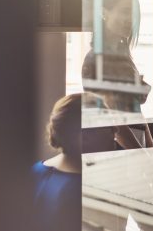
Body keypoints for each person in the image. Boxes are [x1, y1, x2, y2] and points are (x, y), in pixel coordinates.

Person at [82, 0, 153, 149]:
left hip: (133, 143)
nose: (131, 19)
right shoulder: (97, 59)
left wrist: (151, 147)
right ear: (104, 13)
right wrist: (143, 155)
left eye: (133, 13)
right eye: (125, 11)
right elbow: (115, 123)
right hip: (115, 148)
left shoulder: (124, 58)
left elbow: (137, 114)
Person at [32, 93, 116, 231]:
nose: (116, 131)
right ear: (83, 137)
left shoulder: (36, 170)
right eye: (109, 126)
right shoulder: (84, 191)